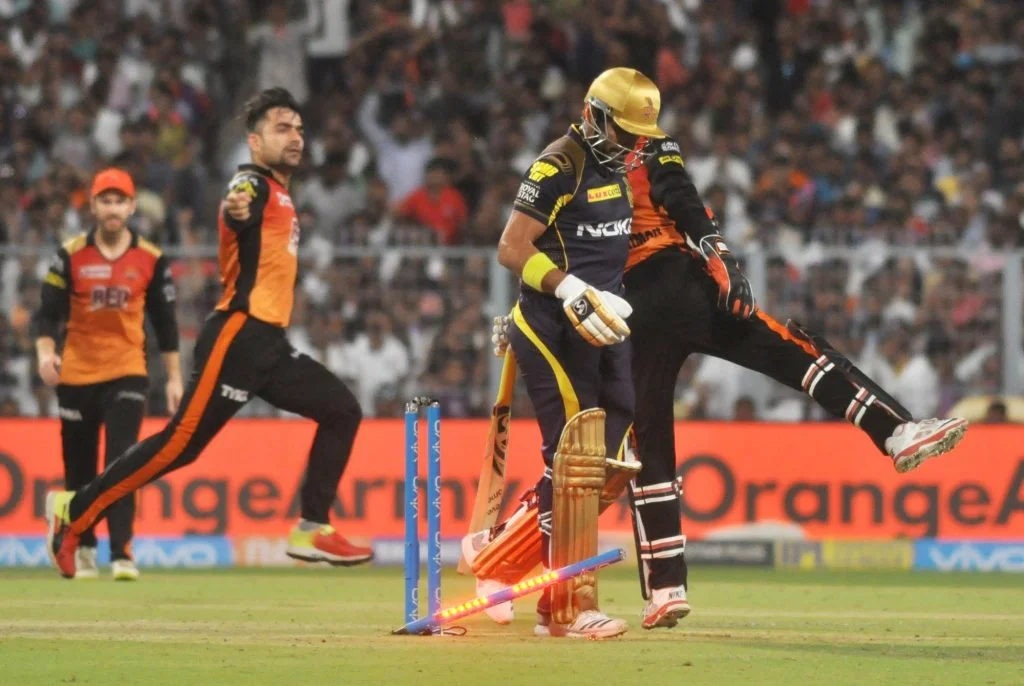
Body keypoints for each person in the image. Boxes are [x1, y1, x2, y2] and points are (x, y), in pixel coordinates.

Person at [619, 131, 968, 628]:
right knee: (796, 356)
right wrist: (723, 259)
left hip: (629, 306)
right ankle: (894, 431)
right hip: (683, 284)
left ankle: (665, 588)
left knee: (649, 441)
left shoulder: (578, 168)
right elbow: (682, 198)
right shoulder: (650, 147)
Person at [45, 88, 371, 579]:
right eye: (282, 128)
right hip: (237, 336)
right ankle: (75, 511)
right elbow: (239, 200)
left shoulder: (282, 192)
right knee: (179, 445)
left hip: (269, 345)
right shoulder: (253, 183)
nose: (296, 137)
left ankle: (311, 526)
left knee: (342, 409)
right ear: (254, 141)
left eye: (299, 129)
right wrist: (236, 205)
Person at [463, 68, 664, 639]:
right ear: (594, 115)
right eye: (626, 133)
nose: (634, 147)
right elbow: (511, 248)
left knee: (606, 465)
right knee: (575, 460)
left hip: (602, 328)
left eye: (642, 137)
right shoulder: (559, 164)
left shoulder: (620, 169)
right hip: (551, 326)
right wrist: (568, 288)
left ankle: (497, 557)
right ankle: (566, 609)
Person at [33, 168, 183, 581]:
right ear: (94, 206)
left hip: (127, 372)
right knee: (79, 467)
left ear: (132, 207)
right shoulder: (70, 254)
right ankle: (83, 547)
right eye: (105, 201)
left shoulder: (150, 257)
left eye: (120, 201)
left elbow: (166, 323)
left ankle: (122, 553)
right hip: (77, 374)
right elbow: (46, 314)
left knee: (122, 463)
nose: (113, 208)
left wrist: (174, 378)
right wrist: (45, 353)